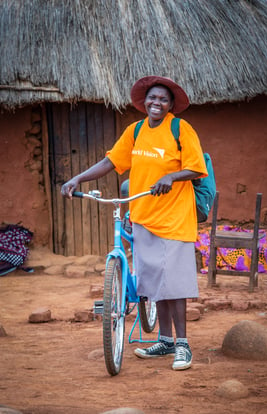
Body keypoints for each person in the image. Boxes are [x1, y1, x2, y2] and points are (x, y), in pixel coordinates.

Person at [61, 75, 207, 371]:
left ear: (171, 105)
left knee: (175, 285)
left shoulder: (181, 129)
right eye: (152, 98)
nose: (157, 103)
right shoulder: (136, 130)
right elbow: (111, 162)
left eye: (163, 100)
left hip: (175, 216)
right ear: (144, 101)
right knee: (154, 284)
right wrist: (78, 177)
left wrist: (171, 176)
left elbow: (195, 167)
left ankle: (183, 346)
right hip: (143, 215)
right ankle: (165, 341)